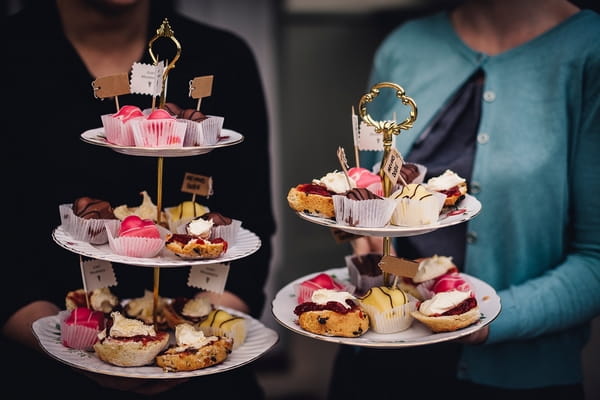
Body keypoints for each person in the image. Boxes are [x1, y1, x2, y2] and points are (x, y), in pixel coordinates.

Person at [1, 0, 275, 398]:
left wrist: (193, 343)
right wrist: (77, 348)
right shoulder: (13, 55)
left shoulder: (223, 57)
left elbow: (249, 223)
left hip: (205, 377)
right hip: (35, 372)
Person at [328, 0, 600, 399]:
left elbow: (595, 259)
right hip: (378, 354)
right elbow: (364, 192)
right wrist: (356, 236)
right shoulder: (405, 45)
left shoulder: (588, 50)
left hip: (516, 381)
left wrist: (481, 319)